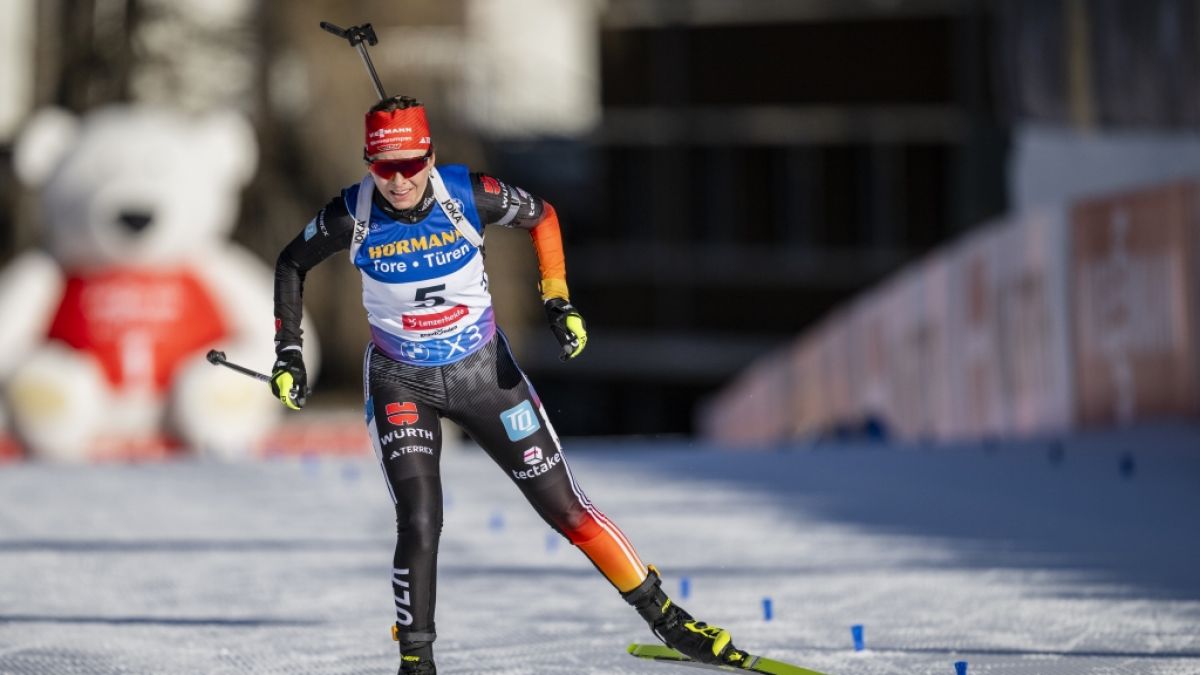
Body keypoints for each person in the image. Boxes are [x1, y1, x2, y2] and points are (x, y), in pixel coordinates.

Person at [271, 95, 743, 674]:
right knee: (420, 519)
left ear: (430, 155)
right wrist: (288, 353)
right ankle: (416, 661)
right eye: (383, 167)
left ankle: (670, 622)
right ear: (368, 164)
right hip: (401, 381)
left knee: (568, 511)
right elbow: (291, 264)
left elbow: (543, 217)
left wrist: (557, 300)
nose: (398, 181)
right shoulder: (351, 213)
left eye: (411, 165)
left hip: (482, 374)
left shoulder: (468, 193)